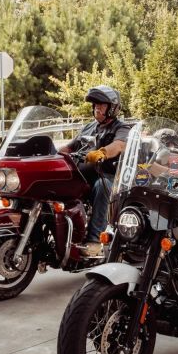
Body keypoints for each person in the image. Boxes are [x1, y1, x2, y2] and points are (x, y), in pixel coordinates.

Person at [58, 85, 130, 256]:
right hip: (83, 175)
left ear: (112, 108)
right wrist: (52, 154)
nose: (97, 107)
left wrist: (102, 153)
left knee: (101, 186)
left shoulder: (122, 128)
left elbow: (119, 145)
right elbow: (69, 148)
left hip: (110, 177)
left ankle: (94, 240)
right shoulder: (89, 127)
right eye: (95, 104)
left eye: (102, 104)